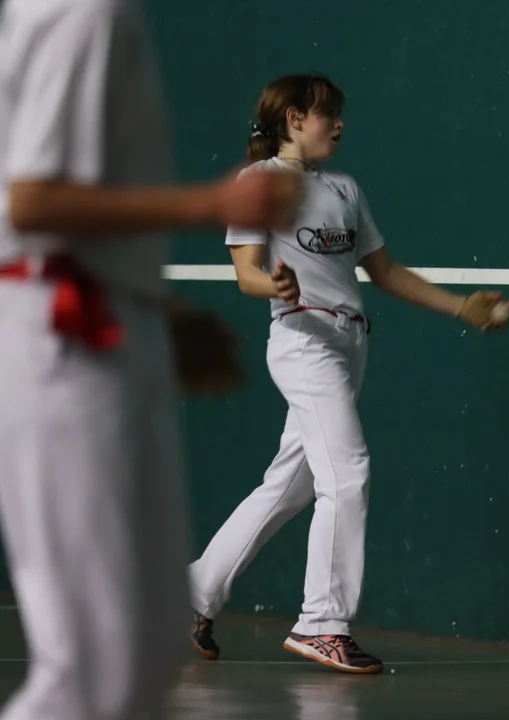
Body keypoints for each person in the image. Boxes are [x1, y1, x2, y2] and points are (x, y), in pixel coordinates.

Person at [0, 1, 304, 718]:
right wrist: (215, 203)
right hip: (65, 339)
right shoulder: (82, 11)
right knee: (94, 669)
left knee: (148, 647)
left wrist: (154, 309)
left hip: (105, 320)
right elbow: (31, 201)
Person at [187, 73, 509, 674]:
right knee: (349, 474)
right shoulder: (258, 182)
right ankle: (322, 623)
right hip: (303, 341)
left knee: (289, 486)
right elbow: (246, 273)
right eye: (325, 114)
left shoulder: (344, 187)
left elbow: (385, 272)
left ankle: (193, 594)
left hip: (348, 344)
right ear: (293, 119)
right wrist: (275, 284)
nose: (338, 124)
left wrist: (460, 307)